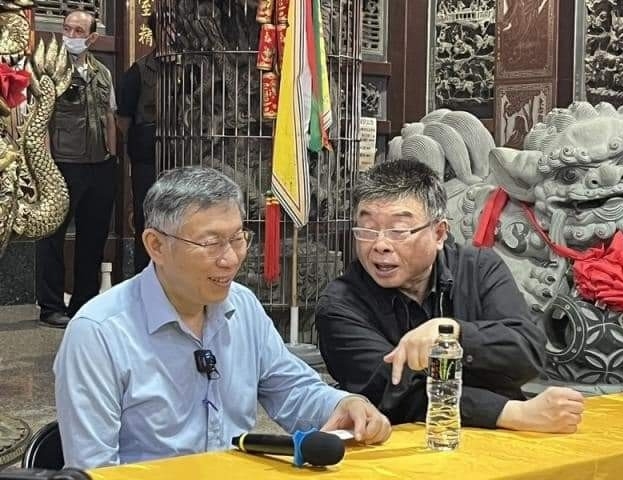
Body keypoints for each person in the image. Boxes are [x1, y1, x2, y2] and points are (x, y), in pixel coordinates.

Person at [53, 166, 392, 469]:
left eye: (237, 238)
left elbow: (292, 388)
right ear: (156, 245)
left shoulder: (242, 306)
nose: (230, 259)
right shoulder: (99, 333)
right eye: (211, 243)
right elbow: (93, 469)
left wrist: (343, 404)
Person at [316, 159, 585, 434]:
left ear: (439, 233)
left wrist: (453, 333)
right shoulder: (340, 305)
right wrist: (512, 413)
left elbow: (527, 352)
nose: (380, 245)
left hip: (505, 438)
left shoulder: (479, 268)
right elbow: (396, 393)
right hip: (405, 444)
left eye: (398, 231)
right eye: (367, 230)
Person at [36, 10, 118, 328]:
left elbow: (110, 116)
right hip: (62, 165)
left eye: (78, 31)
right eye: (67, 29)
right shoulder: (50, 70)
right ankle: (51, 306)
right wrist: (46, 165)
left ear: (92, 37)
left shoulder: (102, 73)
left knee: (93, 237)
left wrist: (112, 155)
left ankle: (84, 303)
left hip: (99, 166)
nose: (71, 35)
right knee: (52, 237)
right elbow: (41, 120)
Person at [116, 13, 157, 273]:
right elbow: (123, 120)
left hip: (185, 157)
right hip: (147, 160)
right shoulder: (138, 71)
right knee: (147, 216)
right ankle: (145, 275)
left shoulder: (191, 68)